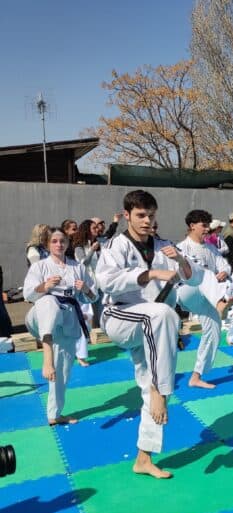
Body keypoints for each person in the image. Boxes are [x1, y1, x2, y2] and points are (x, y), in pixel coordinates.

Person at [96, 190, 199, 478]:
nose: (147, 221)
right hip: (120, 317)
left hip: (153, 326)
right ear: (127, 215)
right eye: (141, 215)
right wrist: (151, 274)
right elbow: (107, 282)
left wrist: (181, 260)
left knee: (151, 379)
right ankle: (159, 389)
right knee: (163, 315)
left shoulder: (165, 246)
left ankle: (144, 457)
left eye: (151, 215)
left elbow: (192, 276)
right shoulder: (115, 246)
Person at [24, 227, 98, 426]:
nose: (59, 244)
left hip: (67, 320)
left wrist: (86, 289)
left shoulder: (77, 267)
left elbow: (93, 297)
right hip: (39, 319)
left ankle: (54, 414)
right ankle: (47, 356)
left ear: (67, 243)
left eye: (62, 241)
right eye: (54, 241)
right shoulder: (40, 267)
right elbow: (28, 294)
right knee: (49, 302)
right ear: (47, 244)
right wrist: (45, 286)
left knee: (62, 371)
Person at [176, 209, 233, 389]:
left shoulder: (211, 248)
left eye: (208, 225)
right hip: (186, 292)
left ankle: (196, 376)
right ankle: (221, 303)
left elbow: (225, 266)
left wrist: (224, 272)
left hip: (206, 295)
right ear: (192, 226)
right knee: (204, 274)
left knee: (214, 329)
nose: (207, 229)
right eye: (204, 225)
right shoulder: (181, 248)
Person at [71, 219, 102, 367]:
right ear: (87, 230)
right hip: (84, 285)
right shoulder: (79, 246)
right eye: (94, 227)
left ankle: (87, 343)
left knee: (96, 315)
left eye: (97, 227)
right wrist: (92, 250)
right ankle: (80, 353)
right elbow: (82, 264)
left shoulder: (97, 244)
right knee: (85, 317)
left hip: (97, 284)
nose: (97, 229)